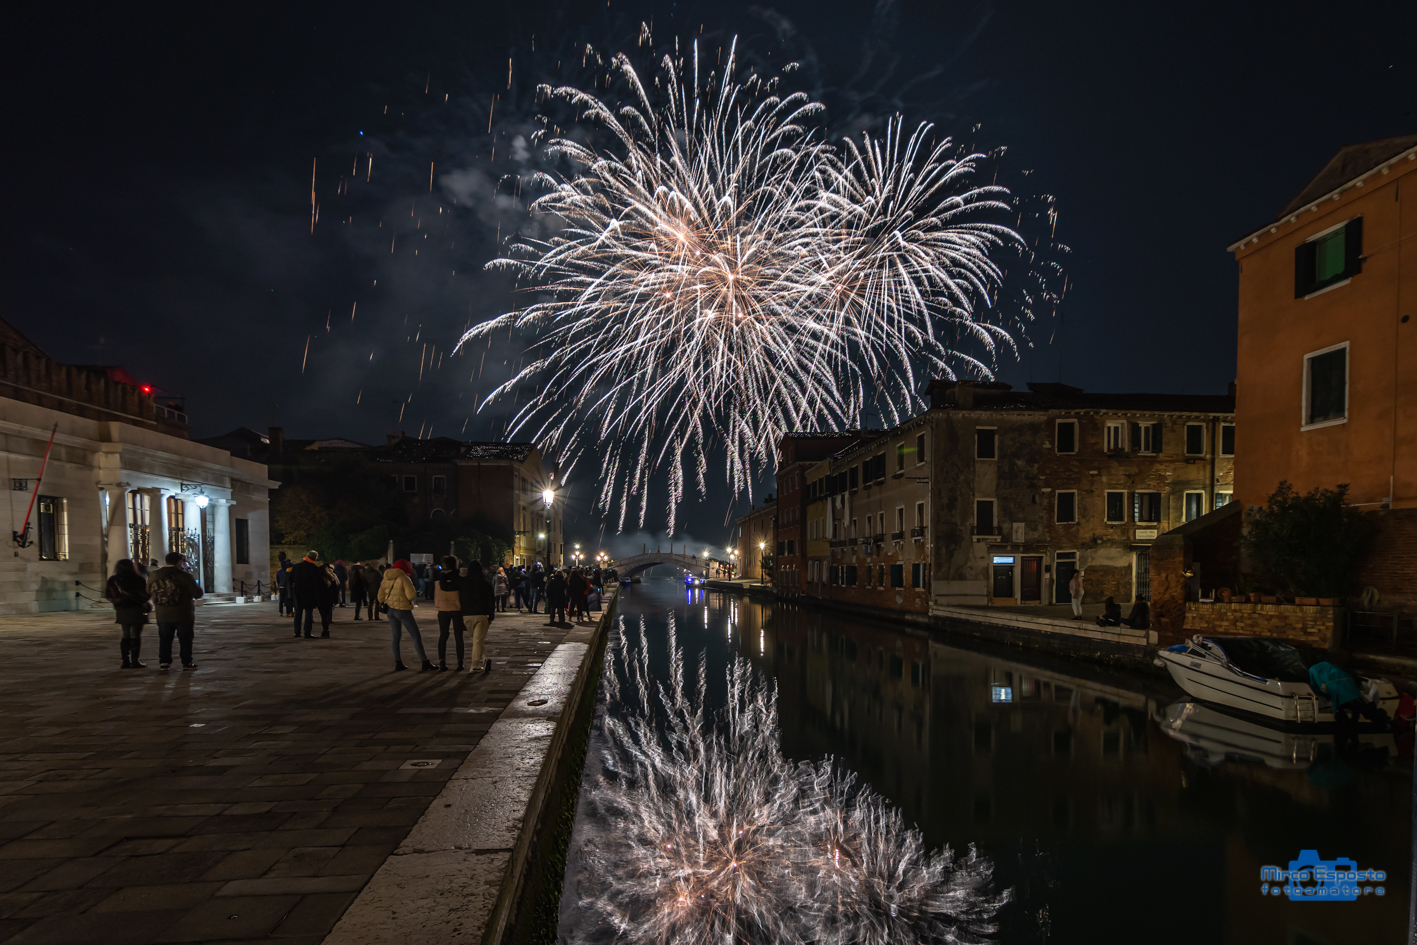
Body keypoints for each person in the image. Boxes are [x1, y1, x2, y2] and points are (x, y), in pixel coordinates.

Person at [378, 559, 436, 671]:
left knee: (396, 637)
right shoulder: (404, 578)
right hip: (403, 610)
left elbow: (380, 596)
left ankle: (398, 662)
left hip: (390, 610)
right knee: (416, 636)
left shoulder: (386, 578)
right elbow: (411, 596)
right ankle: (424, 662)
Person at [148, 551, 203, 669]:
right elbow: (197, 593)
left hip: (162, 613)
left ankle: (164, 662)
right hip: (183, 613)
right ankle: (186, 662)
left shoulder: (154, 575)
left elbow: (148, 591)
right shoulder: (184, 575)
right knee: (185, 639)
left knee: (165, 639)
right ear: (179, 562)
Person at [105, 558, 151, 669]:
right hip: (137, 608)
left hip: (122, 609)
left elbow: (109, 595)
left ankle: (125, 661)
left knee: (125, 634)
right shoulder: (138, 579)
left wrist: (118, 601)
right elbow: (145, 594)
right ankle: (134, 660)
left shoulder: (114, 580)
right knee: (136, 634)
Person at [460, 560, 497, 673]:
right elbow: (491, 601)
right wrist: (491, 616)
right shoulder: (485, 583)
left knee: (476, 640)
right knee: (478, 640)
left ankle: (485, 658)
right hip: (481, 615)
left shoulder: (463, 583)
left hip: (467, 615)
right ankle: (475, 664)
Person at [292, 550, 336, 639]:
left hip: (298, 593)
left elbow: (290, 580)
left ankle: (297, 632)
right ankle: (307, 632)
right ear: (315, 558)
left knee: (298, 613)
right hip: (309, 594)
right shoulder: (315, 569)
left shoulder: (296, 567)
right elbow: (317, 583)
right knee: (308, 612)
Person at [433, 556, 467, 671]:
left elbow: (436, 594)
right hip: (456, 609)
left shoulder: (438, 579)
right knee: (458, 636)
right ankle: (460, 662)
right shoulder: (459, 579)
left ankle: (442, 661)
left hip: (442, 609)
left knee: (443, 635)